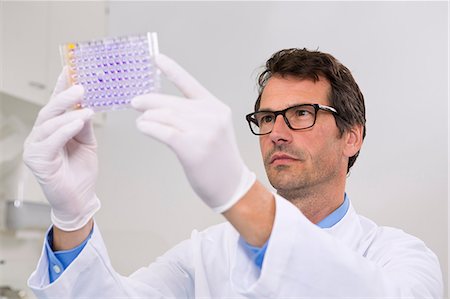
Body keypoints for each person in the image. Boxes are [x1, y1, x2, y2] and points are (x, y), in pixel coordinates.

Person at [24, 48, 443, 298]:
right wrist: (72, 219)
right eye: (266, 117)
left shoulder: (401, 257)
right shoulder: (207, 252)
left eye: (300, 114)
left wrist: (239, 194)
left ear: (352, 137)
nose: (276, 133)